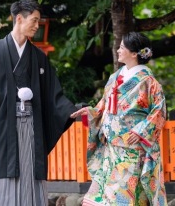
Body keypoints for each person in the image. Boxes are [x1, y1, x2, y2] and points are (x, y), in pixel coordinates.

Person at [0, 0, 76, 206]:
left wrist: (71, 111)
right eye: (35, 21)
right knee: (5, 170)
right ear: (19, 19)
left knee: (31, 168)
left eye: (39, 21)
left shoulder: (38, 56)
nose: (37, 26)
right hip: (3, 124)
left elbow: (52, 93)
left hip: (31, 123)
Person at [71, 32, 167, 206]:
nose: (118, 50)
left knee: (126, 194)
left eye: (122, 47)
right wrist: (92, 111)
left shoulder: (149, 82)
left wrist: (141, 131)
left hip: (132, 146)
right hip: (111, 147)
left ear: (134, 53)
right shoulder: (115, 77)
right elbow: (105, 104)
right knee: (101, 195)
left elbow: (159, 111)